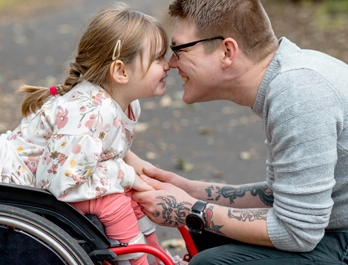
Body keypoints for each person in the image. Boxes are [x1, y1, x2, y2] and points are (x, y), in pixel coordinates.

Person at [132, 0, 348, 264]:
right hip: (331, 228)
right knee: (203, 233)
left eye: (179, 49)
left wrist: (190, 208)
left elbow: (298, 231)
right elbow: (282, 196)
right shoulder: (286, 78)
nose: (171, 63)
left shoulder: (298, 94)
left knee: (208, 260)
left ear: (227, 52)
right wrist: (192, 190)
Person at [0, 2, 170, 265]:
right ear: (121, 72)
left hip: (57, 175)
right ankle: (138, 260)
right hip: (20, 185)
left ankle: (156, 255)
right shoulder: (90, 114)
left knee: (133, 196)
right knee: (115, 202)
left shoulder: (125, 104)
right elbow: (58, 184)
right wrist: (125, 174)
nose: (167, 65)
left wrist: (138, 168)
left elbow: (107, 146)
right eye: (158, 58)